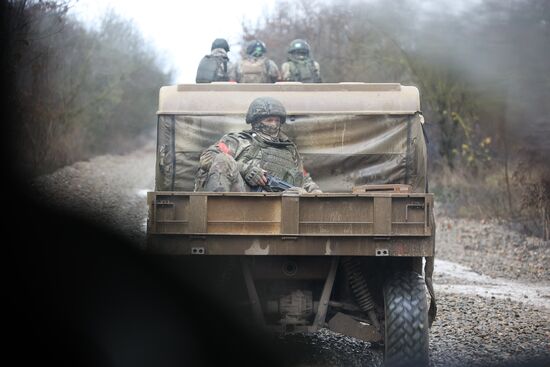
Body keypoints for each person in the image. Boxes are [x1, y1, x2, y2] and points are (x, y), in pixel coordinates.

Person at [195, 97, 322, 194]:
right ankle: (216, 215)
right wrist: (245, 169)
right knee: (223, 159)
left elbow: (304, 178)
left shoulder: (289, 149)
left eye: (277, 120)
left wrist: (315, 194)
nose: (274, 124)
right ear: (256, 121)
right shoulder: (239, 141)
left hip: (283, 209)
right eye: (269, 120)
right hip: (241, 202)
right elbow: (208, 157)